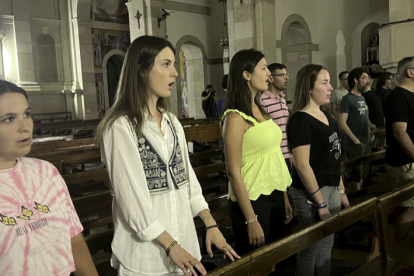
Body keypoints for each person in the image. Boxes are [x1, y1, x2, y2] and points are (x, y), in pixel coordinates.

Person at [96, 35, 239, 276]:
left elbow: (188, 180)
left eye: (174, 64)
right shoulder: (120, 127)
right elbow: (132, 202)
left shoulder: (172, 122)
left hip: (184, 243)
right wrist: (170, 245)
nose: (175, 72)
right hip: (146, 255)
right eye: (166, 64)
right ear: (141, 70)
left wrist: (209, 222)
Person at [0, 80, 98, 276]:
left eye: (27, 114)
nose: (25, 126)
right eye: (9, 118)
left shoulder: (46, 172)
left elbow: (74, 239)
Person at [221, 49, 292, 256]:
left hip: (275, 193)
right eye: (263, 69)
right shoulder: (234, 117)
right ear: (246, 74)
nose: (269, 75)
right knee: (257, 264)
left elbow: (274, 154)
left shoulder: (260, 108)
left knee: (275, 260)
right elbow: (233, 172)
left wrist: (284, 196)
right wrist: (251, 220)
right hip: (252, 200)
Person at [287, 64, 350, 276]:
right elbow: (302, 165)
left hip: (331, 186)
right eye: (325, 83)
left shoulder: (326, 116)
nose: (331, 87)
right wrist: (320, 202)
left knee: (326, 246)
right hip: (311, 193)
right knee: (311, 250)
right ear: (309, 88)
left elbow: (334, 157)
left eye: (330, 82)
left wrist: (341, 190)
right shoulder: (300, 119)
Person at [384, 56, 414, 243]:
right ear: (411, 72)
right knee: (411, 209)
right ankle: (397, 253)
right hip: (406, 161)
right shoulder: (398, 96)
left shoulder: (409, 95)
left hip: (408, 160)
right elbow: (399, 132)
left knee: (405, 206)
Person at [339, 68, 374, 191]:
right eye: (364, 78)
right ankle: (356, 203)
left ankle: (361, 201)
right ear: (355, 80)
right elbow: (342, 123)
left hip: (366, 140)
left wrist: (369, 132)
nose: (368, 81)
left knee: (364, 173)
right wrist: (356, 141)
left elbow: (362, 117)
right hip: (355, 142)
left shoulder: (362, 98)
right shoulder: (347, 98)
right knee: (356, 174)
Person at [260, 63, 294, 174]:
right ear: (270, 78)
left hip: (288, 153)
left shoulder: (283, 99)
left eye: (286, 74)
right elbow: (265, 133)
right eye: (282, 75)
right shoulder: (263, 101)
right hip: (276, 156)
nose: (287, 78)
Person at [363, 76, 385, 151]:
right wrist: (369, 123)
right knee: (372, 145)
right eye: (365, 78)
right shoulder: (363, 94)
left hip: (380, 122)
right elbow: (364, 111)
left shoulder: (372, 92)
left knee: (380, 144)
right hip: (373, 123)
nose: (369, 80)